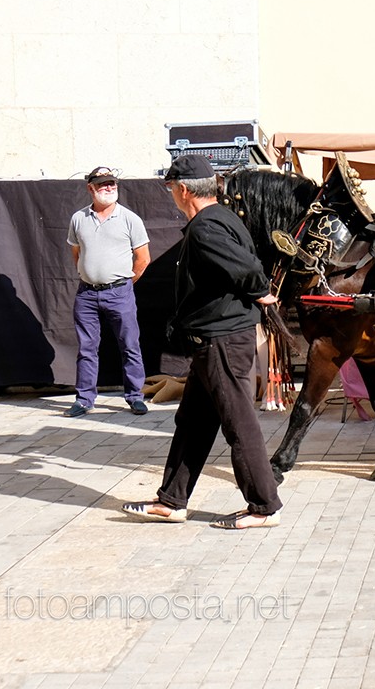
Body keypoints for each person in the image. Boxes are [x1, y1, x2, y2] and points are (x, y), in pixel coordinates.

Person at [121, 153, 282, 530]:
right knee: (192, 422)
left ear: (182, 190)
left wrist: (262, 292)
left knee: (240, 425)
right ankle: (172, 501)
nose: (171, 195)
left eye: (170, 189)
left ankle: (264, 507)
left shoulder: (206, 228)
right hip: (212, 341)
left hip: (222, 341)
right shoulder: (221, 218)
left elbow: (249, 271)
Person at [64, 167, 151, 417]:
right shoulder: (78, 219)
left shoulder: (129, 219)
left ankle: (135, 396)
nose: (109, 187)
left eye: (112, 183)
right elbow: (76, 253)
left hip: (119, 293)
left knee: (129, 345)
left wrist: (123, 284)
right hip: (87, 295)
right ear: (90, 188)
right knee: (86, 348)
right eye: (103, 184)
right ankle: (84, 399)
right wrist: (90, 275)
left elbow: (143, 259)